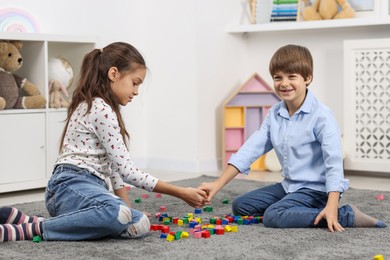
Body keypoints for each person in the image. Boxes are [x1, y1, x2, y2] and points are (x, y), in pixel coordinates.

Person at [0, 42, 207, 242]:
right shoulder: (100, 110)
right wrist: (181, 192)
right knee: (114, 212)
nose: (136, 91)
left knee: (139, 223)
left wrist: (127, 209)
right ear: (114, 73)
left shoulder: (104, 108)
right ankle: (32, 229)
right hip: (68, 188)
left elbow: (115, 171)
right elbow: (128, 172)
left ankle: (32, 221)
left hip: (89, 194)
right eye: (135, 83)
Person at [199, 44, 386, 232]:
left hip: (316, 191)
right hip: (289, 186)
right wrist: (218, 184)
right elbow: (250, 149)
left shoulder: (322, 116)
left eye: (291, 76)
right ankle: (297, 208)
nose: (284, 83)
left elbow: (334, 163)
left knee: (273, 216)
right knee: (240, 206)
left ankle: (345, 214)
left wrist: (332, 204)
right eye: (277, 77)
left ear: (308, 78)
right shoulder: (274, 113)